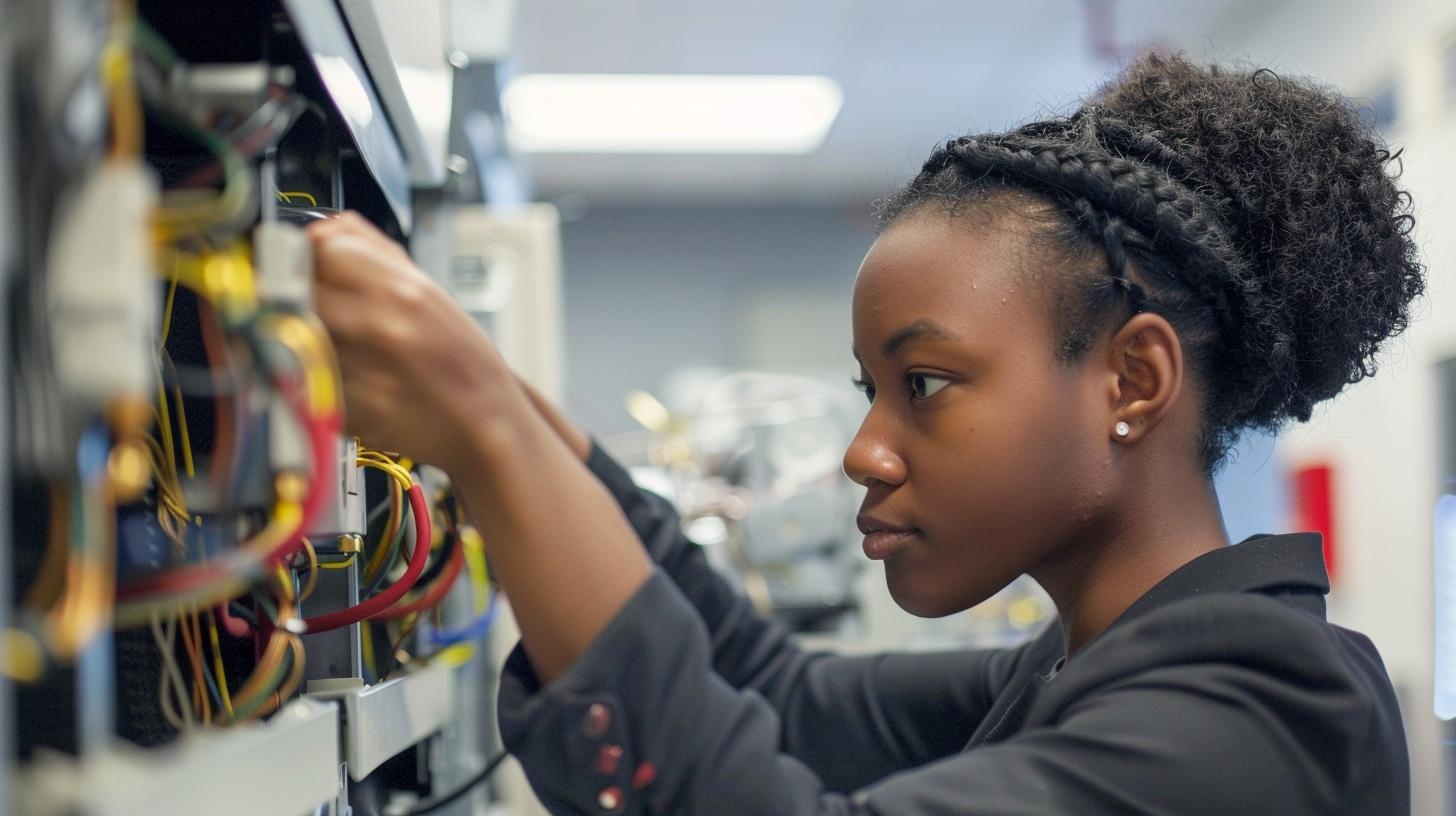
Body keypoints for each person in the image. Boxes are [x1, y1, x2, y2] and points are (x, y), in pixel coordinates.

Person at [307, 54, 1422, 814]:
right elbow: (779, 700)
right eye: (869, 393)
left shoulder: (1262, 707)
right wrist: (529, 426)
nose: (864, 451)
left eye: (925, 384)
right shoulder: (1086, 659)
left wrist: (494, 440)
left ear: (1131, 379)